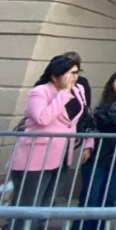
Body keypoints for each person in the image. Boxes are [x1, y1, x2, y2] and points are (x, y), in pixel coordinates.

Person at [8, 55, 85, 229]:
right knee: (28, 205)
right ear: (55, 75)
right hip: (36, 158)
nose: (75, 77)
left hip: (63, 155)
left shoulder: (78, 90)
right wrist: (64, 93)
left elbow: (76, 120)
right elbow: (42, 118)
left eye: (76, 73)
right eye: (70, 73)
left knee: (47, 205)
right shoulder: (40, 92)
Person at [78, 69, 116, 230]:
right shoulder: (103, 105)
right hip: (98, 156)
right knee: (91, 198)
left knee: (109, 198)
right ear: (112, 83)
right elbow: (102, 123)